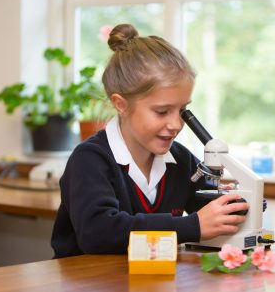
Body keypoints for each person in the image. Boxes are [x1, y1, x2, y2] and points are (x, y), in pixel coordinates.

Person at [51, 23, 249, 258]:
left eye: (183, 110)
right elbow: (98, 233)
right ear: (121, 104)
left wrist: (241, 204)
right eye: (162, 111)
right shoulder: (90, 159)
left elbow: (210, 206)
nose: (176, 124)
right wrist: (191, 226)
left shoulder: (179, 159)